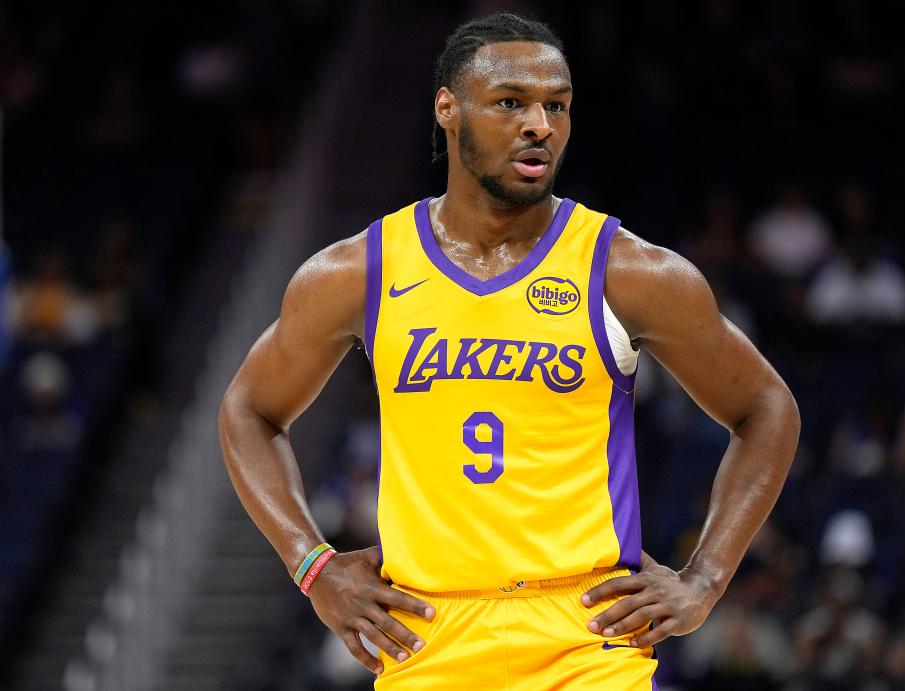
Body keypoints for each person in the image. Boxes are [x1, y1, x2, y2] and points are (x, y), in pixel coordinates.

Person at [218, 13, 800, 690]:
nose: (540, 125)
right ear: (448, 109)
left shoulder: (629, 271)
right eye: (511, 103)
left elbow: (766, 406)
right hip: (427, 637)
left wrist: (704, 577)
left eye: (557, 105)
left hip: (585, 640)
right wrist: (311, 563)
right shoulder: (359, 271)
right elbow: (248, 409)